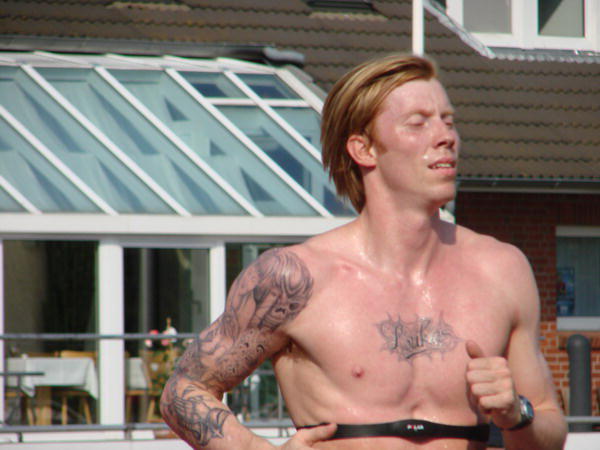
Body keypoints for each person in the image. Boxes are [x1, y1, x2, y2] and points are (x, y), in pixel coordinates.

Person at [160, 53, 567, 449]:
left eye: (448, 121)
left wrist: (517, 413)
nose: (446, 137)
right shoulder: (294, 278)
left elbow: (550, 429)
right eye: (418, 123)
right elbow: (183, 390)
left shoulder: (502, 269)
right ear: (363, 149)